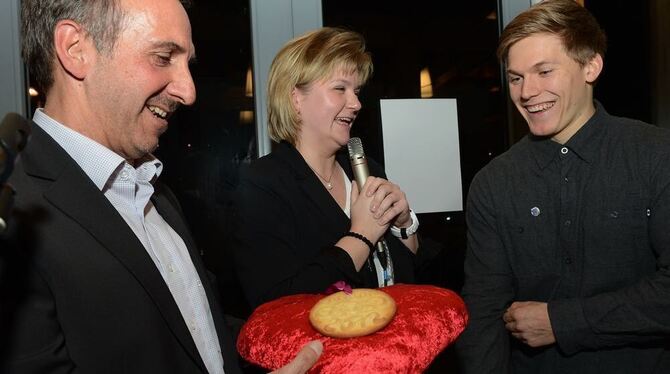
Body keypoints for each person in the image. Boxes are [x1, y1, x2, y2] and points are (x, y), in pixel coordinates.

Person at [0, 0, 321, 373]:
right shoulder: (14, 215)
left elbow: (197, 337)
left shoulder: (153, 188)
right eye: (163, 57)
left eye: (187, 63)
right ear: (76, 49)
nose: (188, 91)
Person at [456, 0, 670, 372]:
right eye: (516, 77)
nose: (526, 92)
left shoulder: (655, 156)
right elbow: (483, 314)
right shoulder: (494, 183)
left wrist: (563, 321)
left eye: (544, 71)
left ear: (591, 66)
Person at [232, 27, 437, 308]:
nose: (355, 103)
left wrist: (404, 227)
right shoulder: (264, 183)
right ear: (296, 99)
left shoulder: (367, 169)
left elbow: (411, 278)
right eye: (340, 89)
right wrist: (362, 234)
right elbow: (279, 302)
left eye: (357, 91)